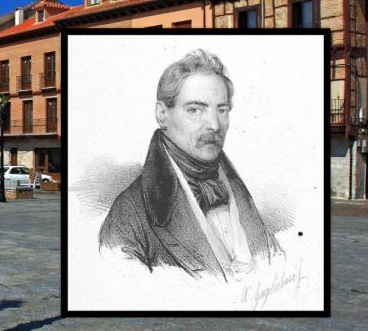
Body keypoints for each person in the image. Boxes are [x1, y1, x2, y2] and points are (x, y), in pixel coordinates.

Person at [99, 49, 281, 280]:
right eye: (195, 110)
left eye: (222, 110)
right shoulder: (128, 214)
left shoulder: (239, 192)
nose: (214, 125)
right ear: (162, 113)